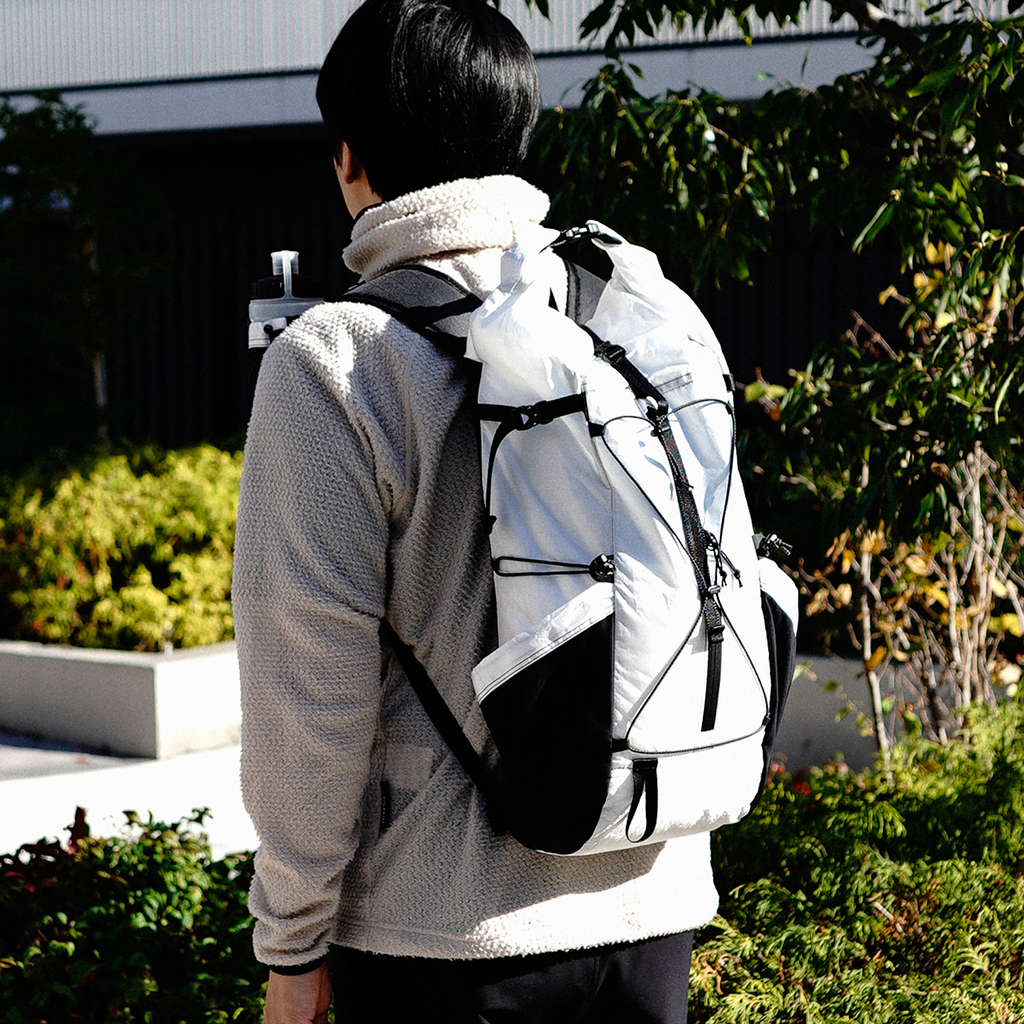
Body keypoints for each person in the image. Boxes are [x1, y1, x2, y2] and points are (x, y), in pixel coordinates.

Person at [233, 2, 719, 1021]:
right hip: (654, 900)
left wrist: (291, 946)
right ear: (514, 136)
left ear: (349, 158)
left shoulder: (335, 360)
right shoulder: (628, 309)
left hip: (444, 938)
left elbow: (308, 698)